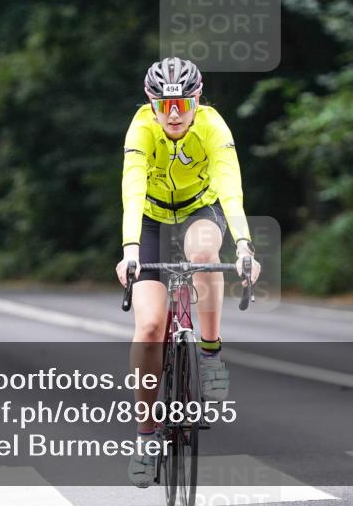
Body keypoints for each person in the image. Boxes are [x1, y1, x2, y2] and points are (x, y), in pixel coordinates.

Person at [116, 56, 261, 487]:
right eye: (164, 105)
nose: (174, 114)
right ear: (150, 102)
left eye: (182, 103)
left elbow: (231, 189)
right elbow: (132, 188)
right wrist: (130, 250)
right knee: (149, 327)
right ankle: (145, 438)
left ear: (197, 99)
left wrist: (245, 246)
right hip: (151, 219)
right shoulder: (141, 127)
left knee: (202, 252)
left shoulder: (213, 127)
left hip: (200, 208)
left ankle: (211, 352)